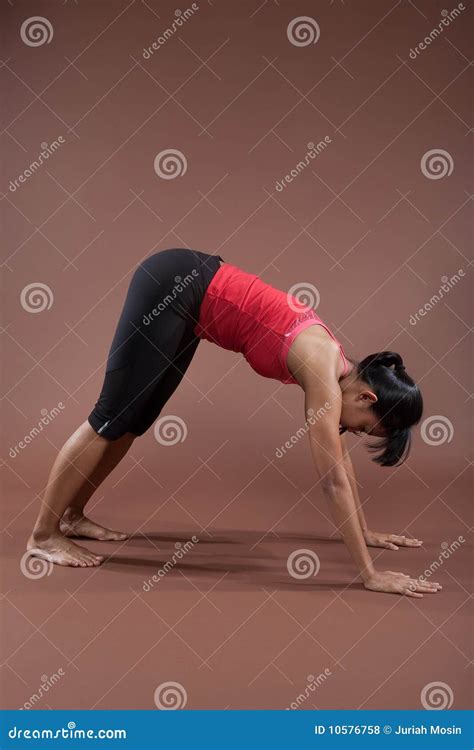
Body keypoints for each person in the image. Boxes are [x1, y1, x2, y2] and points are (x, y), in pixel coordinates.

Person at [27, 248, 441, 598]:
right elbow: (333, 479)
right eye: (365, 427)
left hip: (191, 304)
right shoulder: (322, 369)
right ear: (366, 397)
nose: (352, 432)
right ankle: (44, 535)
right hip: (175, 283)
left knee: (134, 418)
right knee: (110, 415)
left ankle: (72, 516)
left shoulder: (337, 368)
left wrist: (366, 532)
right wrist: (369, 575)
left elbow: (339, 463)